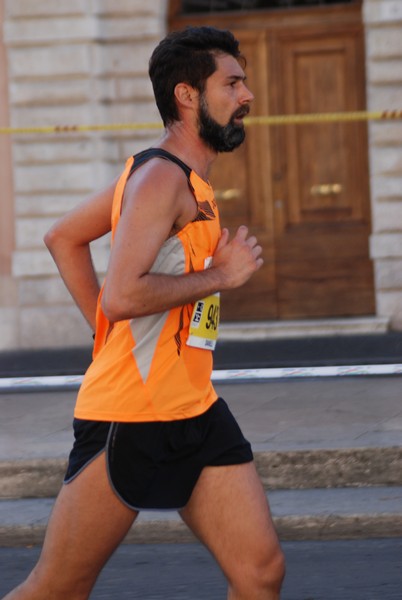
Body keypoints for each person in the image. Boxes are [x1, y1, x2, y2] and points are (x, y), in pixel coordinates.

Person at [3, 26, 285, 600]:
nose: (246, 96)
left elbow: (63, 237)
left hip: (195, 409)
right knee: (57, 588)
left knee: (260, 574)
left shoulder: (179, 179)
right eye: (232, 83)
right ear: (189, 95)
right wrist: (220, 276)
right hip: (131, 417)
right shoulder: (159, 179)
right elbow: (123, 295)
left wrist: (106, 337)